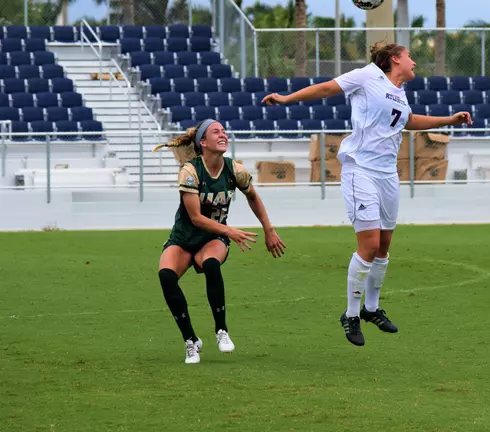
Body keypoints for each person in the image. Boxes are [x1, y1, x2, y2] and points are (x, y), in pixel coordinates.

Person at [262, 42, 473, 347]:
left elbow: (409, 121)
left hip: (388, 174)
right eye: (410, 56)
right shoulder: (367, 76)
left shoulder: (399, 92)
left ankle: (371, 309)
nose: (414, 62)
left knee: (384, 246)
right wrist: (286, 98)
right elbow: (325, 89)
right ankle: (350, 314)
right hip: (360, 169)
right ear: (395, 59)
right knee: (370, 244)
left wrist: (449, 120)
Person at [153, 119, 286, 364]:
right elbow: (195, 217)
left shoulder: (234, 169)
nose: (223, 134)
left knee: (211, 264)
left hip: (213, 237)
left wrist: (269, 230)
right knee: (166, 277)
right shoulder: (190, 171)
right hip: (184, 237)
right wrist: (231, 231)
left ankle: (221, 331)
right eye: (216, 131)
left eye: (224, 131)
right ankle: (190, 341)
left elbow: (253, 197)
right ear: (203, 142)